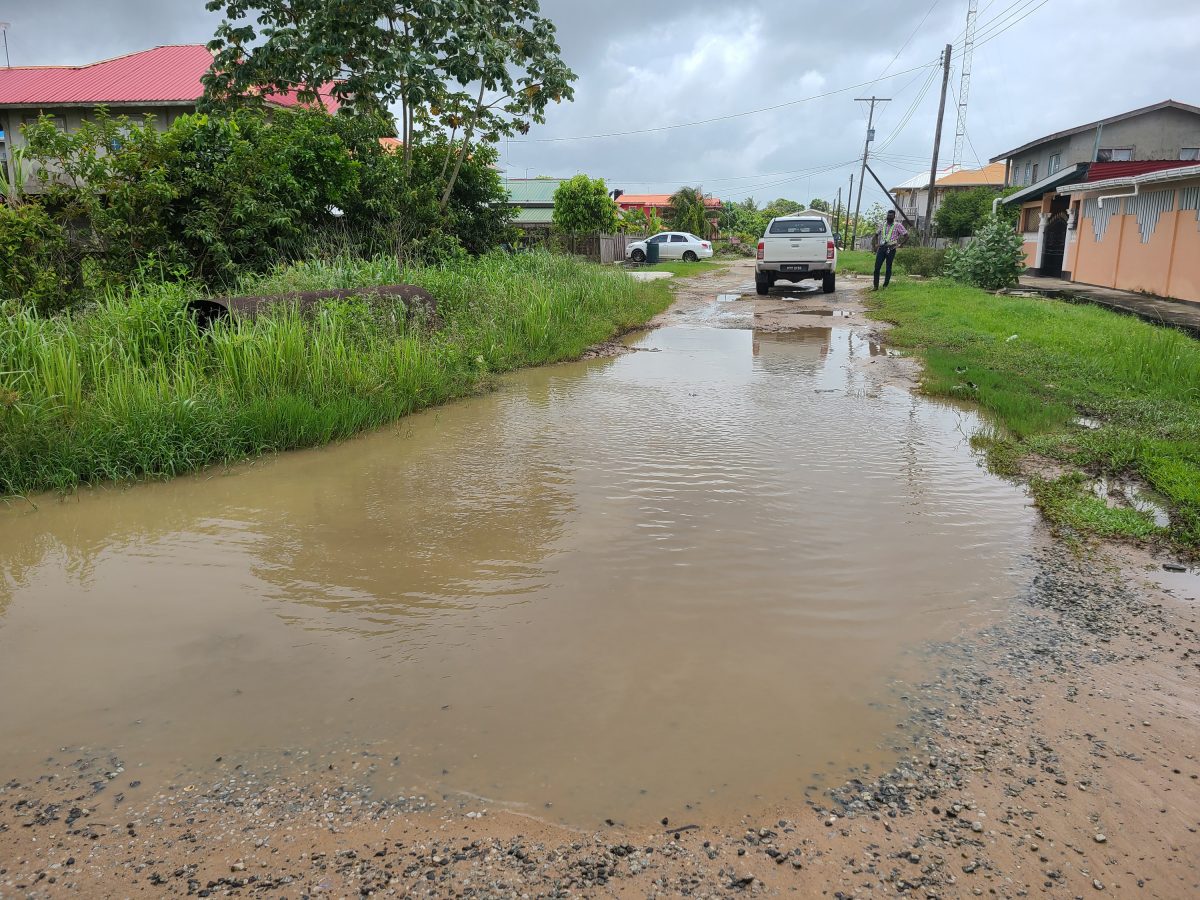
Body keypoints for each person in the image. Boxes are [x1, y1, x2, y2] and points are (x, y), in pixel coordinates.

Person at [872, 210, 908, 289]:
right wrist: (875, 245)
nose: (889, 217)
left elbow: (906, 235)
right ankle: (875, 286)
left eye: (891, 216)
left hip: (891, 248)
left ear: (894, 217)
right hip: (882, 248)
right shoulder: (882, 224)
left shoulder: (898, 225)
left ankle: (885, 285)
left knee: (888, 267)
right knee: (877, 267)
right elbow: (875, 235)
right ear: (887, 216)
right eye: (888, 215)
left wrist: (901, 244)